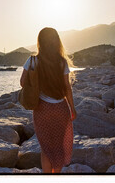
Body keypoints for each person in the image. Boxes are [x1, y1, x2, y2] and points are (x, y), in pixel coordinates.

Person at [20, 27, 77, 173]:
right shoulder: (62, 62)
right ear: (56, 41)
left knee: (46, 148)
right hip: (61, 109)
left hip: (42, 109)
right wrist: (72, 108)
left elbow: (22, 82)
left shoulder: (33, 60)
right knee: (58, 148)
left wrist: (37, 83)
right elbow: (67, 88)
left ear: (40, 42)